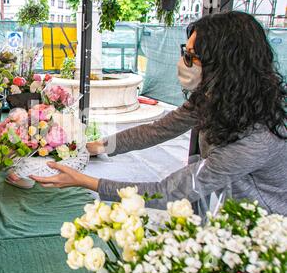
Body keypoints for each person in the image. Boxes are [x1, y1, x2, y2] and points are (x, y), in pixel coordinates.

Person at [27, 11, 287, 216]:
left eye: (191, 57)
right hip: (224, 210)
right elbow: (159, 129)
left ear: (226, 65)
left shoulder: (258, 138)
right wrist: (98, 146)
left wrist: (86, 181)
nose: (183, 62)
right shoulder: (216, 99)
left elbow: (169, 192)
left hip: (260, 236)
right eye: (185, 52)